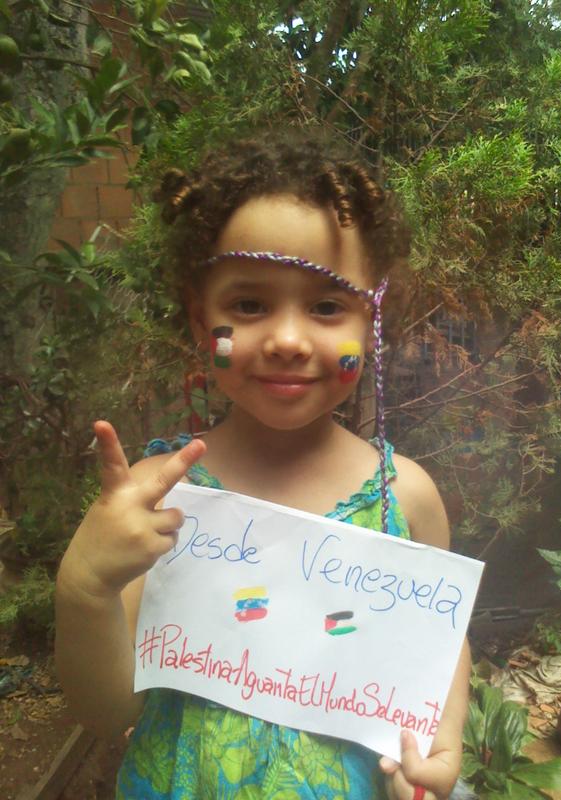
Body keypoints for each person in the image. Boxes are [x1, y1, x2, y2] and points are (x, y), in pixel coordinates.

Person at [55, 128, 474, 800]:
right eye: (249, 305)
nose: (285, 339)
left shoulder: (405, 498)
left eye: (327, 306)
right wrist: (85, 590)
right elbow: (107, 713)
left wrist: (438, 744)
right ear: (201, 322)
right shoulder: (157, 501)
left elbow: (438, 645)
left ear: (370, 324)